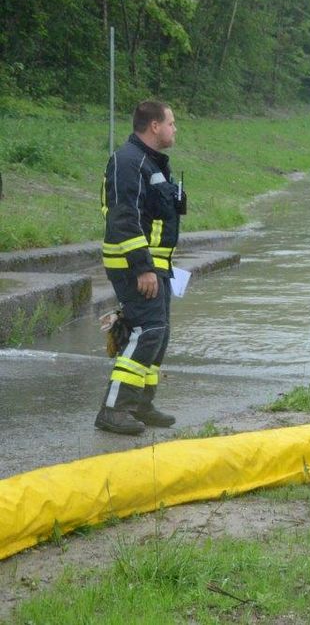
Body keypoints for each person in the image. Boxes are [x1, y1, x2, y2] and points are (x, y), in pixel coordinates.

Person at [95, 101, 187, 435]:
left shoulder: (152, 164)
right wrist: (143, 268)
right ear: (153, 126)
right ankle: (113, 409)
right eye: (171, 123)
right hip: (135, 266)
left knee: (157, 336)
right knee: (147, 332)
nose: (175, 129)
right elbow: (124, 219)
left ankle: (140, 405)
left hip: (156, 265)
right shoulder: (128, 162)